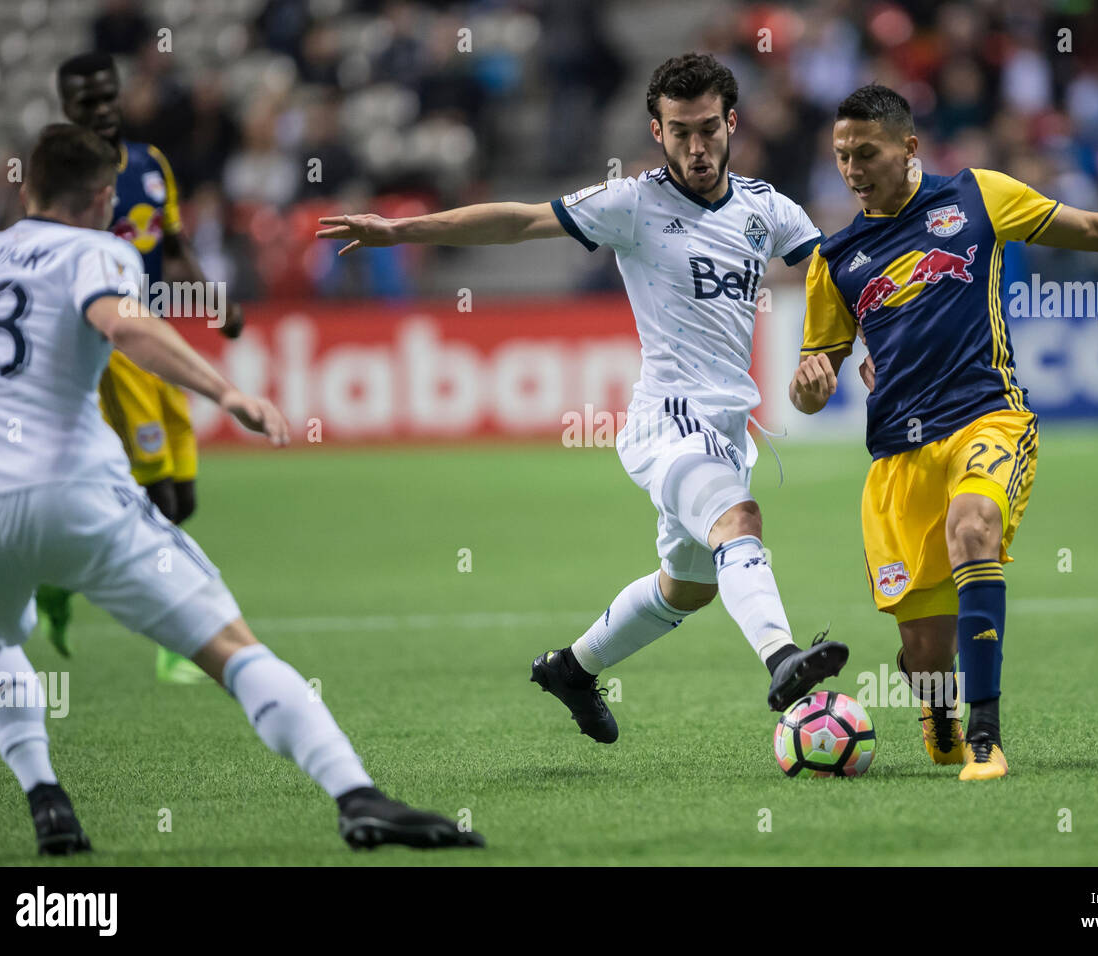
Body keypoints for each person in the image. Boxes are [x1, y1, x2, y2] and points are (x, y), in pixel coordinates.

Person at [0, 124, 483, 854]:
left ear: (25, 187)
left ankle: (47, 800)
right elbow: (123, 325)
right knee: (232, 650)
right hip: (76, 492)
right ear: (105, 196)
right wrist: (226, 393)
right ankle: (356, 795)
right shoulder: (99, 251)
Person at [318, 53, 848, 743]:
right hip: (667, 424)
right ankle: (783, 660)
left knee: (688, 586)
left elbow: (834, 275)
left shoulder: (766, 208)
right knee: (736, 520)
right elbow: (518, 221)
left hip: (726, 430)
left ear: (732, 123)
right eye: (680, 130)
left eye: (709, 129)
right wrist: (403, 229)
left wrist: (830, 353)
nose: (697, 146)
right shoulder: (633, 203)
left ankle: (571, 668)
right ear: (656, 131)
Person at [790, 84, 1098, 780]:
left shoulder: (978, 197)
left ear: (908, 147)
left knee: (974, 530)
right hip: (899, 461)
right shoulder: (834, 259)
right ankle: (937, 704)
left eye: (866, 153)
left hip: (987, 418)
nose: (851, 169)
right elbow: (813, 378)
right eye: (842, 155)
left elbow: (1094, 231)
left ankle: (985, 735)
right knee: (924, 652)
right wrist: (809, 386)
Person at [40, 51, 244, 684]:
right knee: (154, 493)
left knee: (180, 494)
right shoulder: (60, 182)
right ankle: (178, 639)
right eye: (86, 102)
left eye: (108, 97)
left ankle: (53, 576)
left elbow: (174, 245)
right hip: (108, 351)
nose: (101, 110)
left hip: (156, 341)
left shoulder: (150, 165)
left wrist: (212, 301)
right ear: (66, 107)